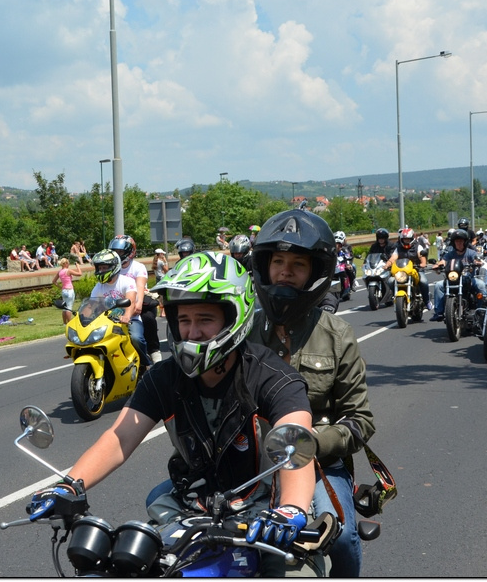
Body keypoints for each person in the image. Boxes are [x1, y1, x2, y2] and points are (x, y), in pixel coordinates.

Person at [29, 251, 318, 576]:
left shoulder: (272, 377)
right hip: (191, 506)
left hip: (264, 511)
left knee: (296, 570)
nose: (192, 332)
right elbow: (119, 436)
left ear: (234, 317)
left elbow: (295, 445)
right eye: (184, 320)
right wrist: (69, 485)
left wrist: (291, 509)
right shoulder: (164, 377)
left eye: (205, 319)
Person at [247, 209, 376, 578]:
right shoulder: (243, 331)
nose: (285, 271)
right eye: (278, 261)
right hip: (250, 467)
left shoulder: (337, 335)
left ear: (315, 272)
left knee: (343, 537)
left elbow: (361, 421)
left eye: (297, 263)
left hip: (318, 465)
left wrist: (311, 443)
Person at [110, 235, 153, 366]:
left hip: (132, 311)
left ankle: (146, 364)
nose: (117, 255)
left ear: (130, 252)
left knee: (136, 338)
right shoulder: (110, 267)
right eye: (115, 251)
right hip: (113, 312)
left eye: (121, 252)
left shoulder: (138, 267)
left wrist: (137, 304)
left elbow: (140, 287)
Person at [429, 229, 484, 322]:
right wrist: (437, 265)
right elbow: (443, 261)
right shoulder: (450, 254)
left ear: (465, 242)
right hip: (453, 279)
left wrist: (477, 262)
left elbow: (476, 259)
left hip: (468, 279)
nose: (459, 243)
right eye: (457, 241)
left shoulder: (471, 253)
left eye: (461, 241)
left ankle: (482, 311)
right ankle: (439, 312)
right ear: (453, 243)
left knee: (481, 285)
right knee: (438, 285)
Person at [388, 227, 431, 312]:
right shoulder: (398, 248)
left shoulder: (417, 247)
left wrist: (422, 264)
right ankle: (395, 297)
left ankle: (427, 301)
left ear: (412, 238)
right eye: (405, 239)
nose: (406, 241)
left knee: (423, 282)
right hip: (402, 272)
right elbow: (393, 258)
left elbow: (421, 256)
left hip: (416, 270)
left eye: (408, 239)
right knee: (390, 280)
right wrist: (387, 265)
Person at [53, 257, 83, 324]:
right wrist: (78, 266)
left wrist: (60, 287)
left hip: (64, 290)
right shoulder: (68, 271)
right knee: (69, 307)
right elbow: (80, 274)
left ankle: (64, 323)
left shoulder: (60, 272)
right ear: (65, 263)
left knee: (64, 308)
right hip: (69, 290)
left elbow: (54, 281)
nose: (69, 264)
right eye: (68, 263)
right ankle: (69, 323)